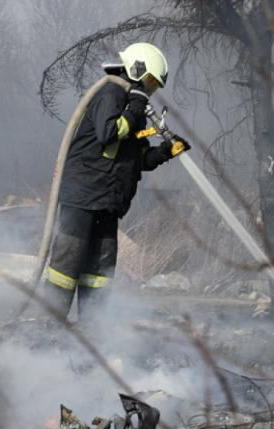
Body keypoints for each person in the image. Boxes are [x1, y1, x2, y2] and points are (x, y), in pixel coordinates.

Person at [42, 42, 190, 323]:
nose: (151, 90)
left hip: (108, 200)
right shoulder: (110, 94)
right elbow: (109, 133)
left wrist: (164, 152)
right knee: (68, 262)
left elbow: (135, 158)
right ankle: (49, 325)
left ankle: (93, 329)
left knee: (101, 267)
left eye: (154, 86)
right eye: (150, 82)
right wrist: (136, 104)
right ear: (136, 70)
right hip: (84, 195)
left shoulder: (132, 106)